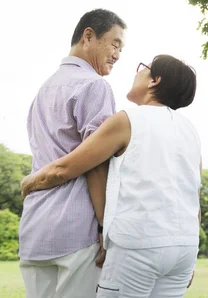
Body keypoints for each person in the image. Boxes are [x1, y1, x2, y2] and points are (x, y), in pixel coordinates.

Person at [22, 54, 202, 298]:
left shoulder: (128, 120)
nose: (136, 72)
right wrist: (190, 254)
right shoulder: (189, 131)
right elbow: (194, 198)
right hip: (184, 248)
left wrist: (30, 182)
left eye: (143, 68)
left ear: (154, 80)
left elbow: (67, 168)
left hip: (139, 246)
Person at [19, 8, 126, 298]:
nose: (117, 54)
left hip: (35, 228)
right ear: (88, 35)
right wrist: (105, 226)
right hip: (76, 230)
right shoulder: (94, 86)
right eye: (115, 44)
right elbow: (96, 164)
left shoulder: (43, 89)